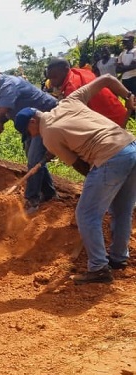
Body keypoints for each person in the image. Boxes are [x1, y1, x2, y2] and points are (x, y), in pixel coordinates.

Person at [12, 75, 136, 284]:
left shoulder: (48, 135)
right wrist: (129, 95)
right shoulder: (69, 101)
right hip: (130, 146)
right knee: (122, 210)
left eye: (30, 132)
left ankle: (98, 268)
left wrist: (95, 181)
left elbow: (79, 165)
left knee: (86, 214)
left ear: (33, 122)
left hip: (110, 157)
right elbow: (106, 78)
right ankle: (117, 258)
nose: (33, 136)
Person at [0, 64, 59, 214]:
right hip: (29, 124)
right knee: (32, 156)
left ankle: (32, 199)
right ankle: (49, 194)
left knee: (34, 158)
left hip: (45, 118)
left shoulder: (9, 85)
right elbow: (4, 116)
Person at [45, 57, 128, 127]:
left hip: (111, 123)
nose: (52, 82)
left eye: (54, 77)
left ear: (65, 70)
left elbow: (77, 121)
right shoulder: (78, 72)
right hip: (119, 112)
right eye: (50, 78)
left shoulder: (72, 89)